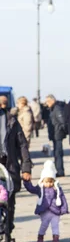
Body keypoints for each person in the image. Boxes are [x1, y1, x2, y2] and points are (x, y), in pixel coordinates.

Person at [0, 95, 32, 234]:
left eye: (5, 103)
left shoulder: (12, 120)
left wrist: (26, 168)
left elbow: (22, 145)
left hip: (9, 165)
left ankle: (7, 228)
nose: (3, 105)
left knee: (9, 201)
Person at [23, 160, 68, 242]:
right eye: (46, 182)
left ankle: (56, 239)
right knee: (44, 225)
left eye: (50, 182)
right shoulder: (40, 188)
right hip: (45, 211)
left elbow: (62, 198)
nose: (48, 184)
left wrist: (64, 208)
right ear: (42, 181)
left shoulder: (57, 189)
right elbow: (32, 189)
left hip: (55, 210)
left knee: (55, 225)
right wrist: (26, 182)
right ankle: (40, 237)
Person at [45, 95, 67, 178]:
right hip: (55, 134)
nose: (47, 104)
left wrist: (61, 131)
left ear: (51, 101)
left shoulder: (57, 108)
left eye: (47, 102)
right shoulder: (52, 109)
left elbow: (62, 121)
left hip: (57, 134)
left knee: (58, 153)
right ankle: (59, 170)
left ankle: (60, 171)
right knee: (56, 153)